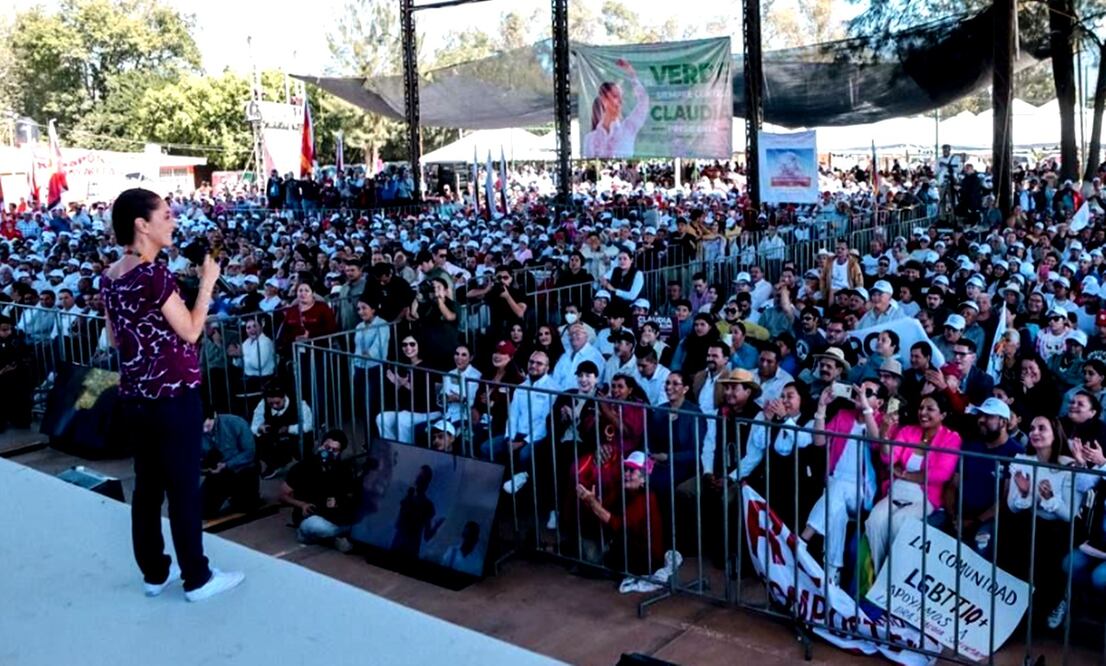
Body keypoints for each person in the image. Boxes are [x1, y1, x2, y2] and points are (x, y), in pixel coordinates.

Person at [100, 188, 243, 602]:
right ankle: (196, 577)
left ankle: (154, 572)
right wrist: (208, 284)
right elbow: (193, 330)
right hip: (173, 395)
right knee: (182, 487)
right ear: (141, 225)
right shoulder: (153, 274)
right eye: (165, 214)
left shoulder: (110, 276)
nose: (173, 220)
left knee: (147, 486)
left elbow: (113, 336)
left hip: (135, 396)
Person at [866, 393, 962, 573]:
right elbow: (889, 459)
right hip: (897, 489)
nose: (923, 413)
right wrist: (884, 434)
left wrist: (906, 475)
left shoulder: (951, 438)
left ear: (943, 415)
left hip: (924, 496)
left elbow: (941, 474)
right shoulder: (908, 431)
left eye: (930, 409)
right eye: (921, 408)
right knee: (875, 521)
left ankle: (897, 576)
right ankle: (880, 573)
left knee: (898, 523)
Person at [576, 451, 664, 576]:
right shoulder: (622, 489)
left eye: (632, 471)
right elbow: (603, 508)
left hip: (645, 555)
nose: (626, 474)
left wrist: (593, 503)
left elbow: (618, 524)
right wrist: (590, 501)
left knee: (592, 561)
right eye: (625, 469)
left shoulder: (647, 497)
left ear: (644, 478)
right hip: (624, 543)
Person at [280, 429, 360, 553]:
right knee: (316, 526)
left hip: (333, 515)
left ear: (340, 452)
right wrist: (302, 505)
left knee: (358, 522)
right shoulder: (302, 467)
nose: (329, 452)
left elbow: (350, 495)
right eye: (326, 447)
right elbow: (283, 495)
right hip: (311, 516)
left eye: (335, 450)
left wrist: (339, 502)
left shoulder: (344, 470)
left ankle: (333, 538)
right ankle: (330, 538)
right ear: (320, 445)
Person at [582, 58, 649, 159]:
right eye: (615, 96)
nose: (620, 101)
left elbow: (644, 102)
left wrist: (632, 75)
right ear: (603, 99)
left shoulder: (628, 128)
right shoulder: (590, 139)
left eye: (621, 97)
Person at [200, 410, 259, 519]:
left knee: (246, 508)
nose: (204, 430)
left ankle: (241, 495)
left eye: (207, 426)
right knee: (201, 511)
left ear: (214, 415)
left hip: (243, 470)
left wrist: (226, 464)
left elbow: (249, 453)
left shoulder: (236, 422)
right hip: (218, 474)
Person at [391, 464, 445, 559]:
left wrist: (437, 525)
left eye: (420, 477)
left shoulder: (428, 506)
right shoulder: (408, 497)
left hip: (410, 550)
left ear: (426, 482)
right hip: (398, 544)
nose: (417, 479)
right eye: (418, 476)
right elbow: (397, 523)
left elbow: (427, 536)